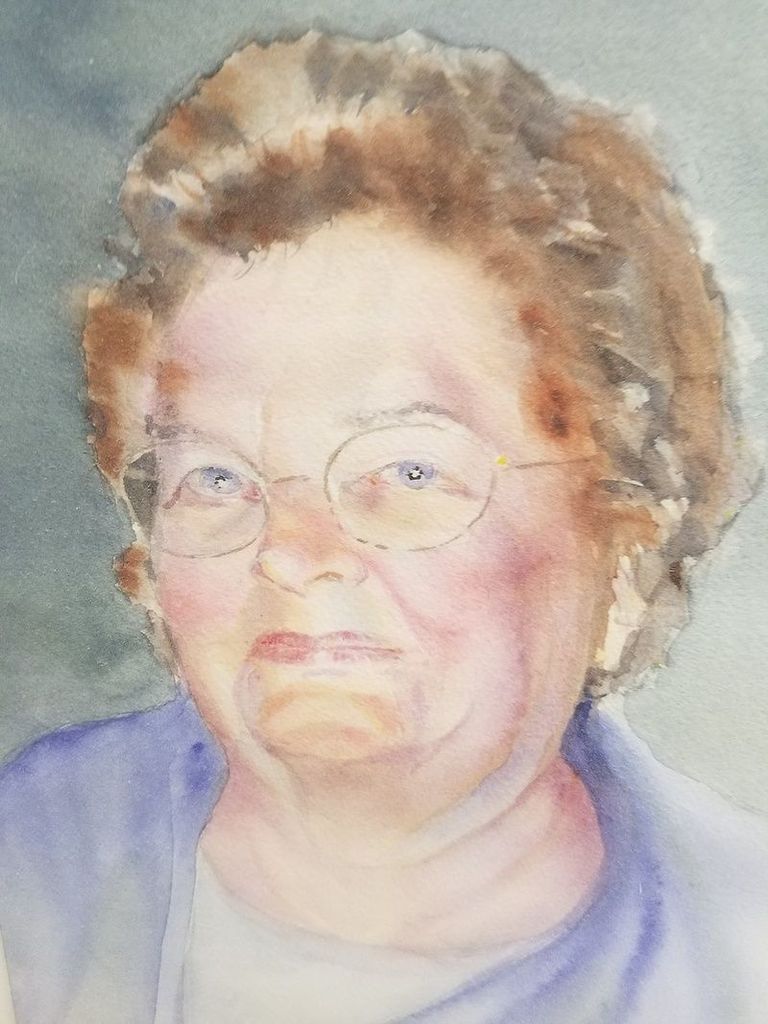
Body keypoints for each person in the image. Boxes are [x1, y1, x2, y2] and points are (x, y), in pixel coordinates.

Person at [0, 30, 765, 1024]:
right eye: (218, 477)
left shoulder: (741, 958)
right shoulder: (36, 861)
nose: (292, 552)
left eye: (407, 471)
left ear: (621, 553)